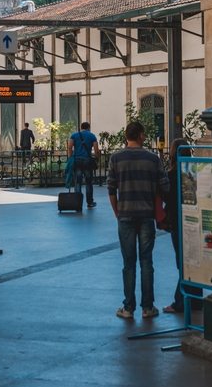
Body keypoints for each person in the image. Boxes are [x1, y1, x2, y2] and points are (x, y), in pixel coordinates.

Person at [108, 121, 170, 319]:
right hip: (146, 216)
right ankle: (147, 307)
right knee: (146, 262)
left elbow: (111, 188)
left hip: (125, 215)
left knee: (128, 263)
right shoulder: (153, 159)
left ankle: (128, 308)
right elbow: (165, 186)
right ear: (141, 135)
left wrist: (118, 212)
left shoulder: (116, 158)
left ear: (126, 136)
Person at [162, 137, 190, 313]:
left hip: (177, 222)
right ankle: (194, 300)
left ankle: (179, 302)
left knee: (182, 263)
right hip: (193, 221)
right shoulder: (192, 174)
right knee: (193, 260)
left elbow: (168, 199)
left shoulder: (170, 176)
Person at [68, 122, 100, 209]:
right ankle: (90, 202)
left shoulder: (74, 135)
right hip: (87, 160)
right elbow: (96, 150)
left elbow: (69, 147)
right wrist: (97, 159)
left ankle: (78, 203)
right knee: (88, 182)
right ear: (89, 127)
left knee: (77, 182)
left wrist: (70, 158)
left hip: (77, 160)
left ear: (80, 127)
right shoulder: (92, 136)